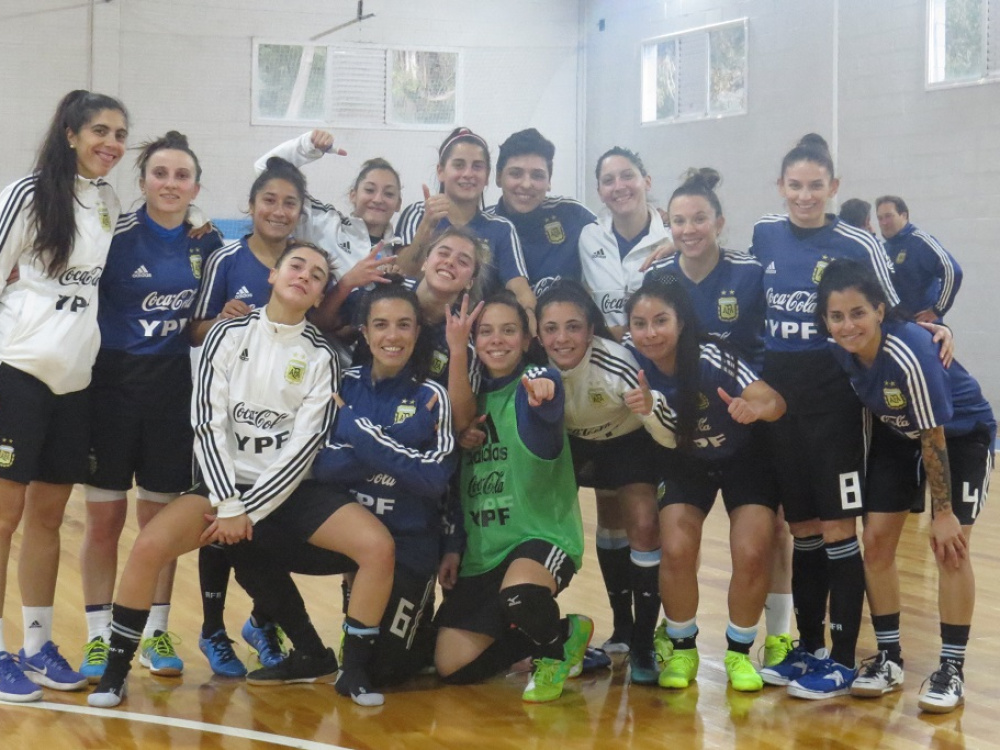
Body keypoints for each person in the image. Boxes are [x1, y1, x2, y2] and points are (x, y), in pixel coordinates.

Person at [88, 241, 396, 708]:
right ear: (273, 275)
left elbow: (303, 448)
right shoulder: (227, 335)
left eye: (316, 275)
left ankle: (353, 673)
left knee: (378, 547)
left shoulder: (322, 356)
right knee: (149, 547)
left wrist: (247, 510)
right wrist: (229, 503)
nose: (304, 276)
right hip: (223, 489)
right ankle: (114, 673)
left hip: (291, 490)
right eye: (296, 266)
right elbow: (207, 423)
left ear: (319, 296)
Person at [750, 134, 899, 699]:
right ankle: (809, 648)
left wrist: (936, 328)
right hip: (779, 405)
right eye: (795, 185)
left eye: (816, 185)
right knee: (804, 529)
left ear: (833, 187)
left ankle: (842, 658)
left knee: (839, 529)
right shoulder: (765, 233)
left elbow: (891, 310)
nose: (805, 195)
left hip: (835, 404)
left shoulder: (857, 241)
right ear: (780, 186)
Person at [816, 259, 994, 714]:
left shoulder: (908, 352)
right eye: (837, 316)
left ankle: (951, 668)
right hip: (899, 437)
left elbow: (934, 435)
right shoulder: (838, 347)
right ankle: (889, 658)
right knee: (876, 543)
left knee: (950, 548)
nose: (848, 325)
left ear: (880, 309)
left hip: (959, 437)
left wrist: (943, 513)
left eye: (858, 313)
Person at [78, 132, 223, 684]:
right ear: (142, 182)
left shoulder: (208, 244)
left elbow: (207, 319)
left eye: (181, 175)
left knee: (160, 522)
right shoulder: (115, 236)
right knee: (105, 520)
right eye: (160, 173)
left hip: (171, 390)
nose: (170, 183)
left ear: (196, 188)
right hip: (110, 387)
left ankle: (155, 630)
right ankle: (98, 636)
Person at [0, 90, 128, 704]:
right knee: (3, 518)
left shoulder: (108, 202)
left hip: (75, 382)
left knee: (48, 519)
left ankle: (37, 645)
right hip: (17, 371)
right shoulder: (27, 195)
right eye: (100, 130)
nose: (112, 143)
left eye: (120, 134)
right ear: (71, 134)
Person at [646, 167, 794, 672]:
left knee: (765, 541)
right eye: (679, 221)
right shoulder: (660, 278)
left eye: (699, 220)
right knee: (676, 544)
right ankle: (680, 644)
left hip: (748, 422)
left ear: (719, 222)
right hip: (685, 432)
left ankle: (768, 639)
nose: (689, 230)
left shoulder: (749, 272)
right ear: (668, 224)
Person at [623, 274, 786, 693]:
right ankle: (682, 650)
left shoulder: (713, 357)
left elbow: (774, 401)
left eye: (660, 321)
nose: (650, 333)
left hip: (745, 459)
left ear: (681, 322)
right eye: (639, 324)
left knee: (752, 551)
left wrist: (754, 408)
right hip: (684, 461)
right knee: (677, 548)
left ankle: (739, 653)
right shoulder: (629, 359)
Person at [434, 292, 591, 704]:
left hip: (539, 538)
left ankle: (551, 656)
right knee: (452, 668)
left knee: (520, 595)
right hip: (483, 549)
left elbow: (545, 388)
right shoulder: (469, 400)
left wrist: (544, 390)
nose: (497, 340)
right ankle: (566, 632)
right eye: (486, 331)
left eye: (508, 330)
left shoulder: (535, 381)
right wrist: (452, 545)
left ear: (526, 339)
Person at [188, 156, 310, 677]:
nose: (279, 211)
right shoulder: (226, 259)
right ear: (252, 205)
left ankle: (264, 622)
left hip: (281, 420)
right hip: (228, 420)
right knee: (220, 519)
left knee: (273, 523)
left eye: (289, 203)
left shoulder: (305, 263)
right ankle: (212, 628)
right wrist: (219, 319)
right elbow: (194, 327)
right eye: (269, 201)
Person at [312, 282, 456, 686]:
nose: (392, 336)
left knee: (388, 671)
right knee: (258, 540)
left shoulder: (432, 396)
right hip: (353, 541)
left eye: (403, 325)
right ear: (365, 332)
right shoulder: (342, 384)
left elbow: (433, 479)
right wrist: (401, 450)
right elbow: (323, 466)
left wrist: (358, 432)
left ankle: (426, 631)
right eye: (381, 324)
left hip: (410, 545)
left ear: (417, 332)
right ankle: (293, 638)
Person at [534, 280, 662, 683]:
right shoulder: (533, 364)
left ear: (591, 330)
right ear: (538, 332)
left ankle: (643, 642)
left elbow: (662, 428)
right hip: (573, 442)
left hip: (628, 439)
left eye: (573, 327)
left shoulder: (617, 364)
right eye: (551, 328)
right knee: (565, 521)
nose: (562, 338)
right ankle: (620, 625)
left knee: (643, 524)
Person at [393, 127, 536, 323]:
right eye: (459, 165)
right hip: (414, 323)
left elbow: (520, 289)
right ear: (441, 171)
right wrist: (428, 225)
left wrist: (530, 322)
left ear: (487, 176)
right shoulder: (419, 213)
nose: (468, 174)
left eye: (477, 166)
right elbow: (403, 272)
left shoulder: (501, 228)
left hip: (474, 330)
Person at [486, 129, 621, 327]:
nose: (526, 184)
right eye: (516, 173)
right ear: (498, 177)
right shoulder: (485, 225)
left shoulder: (571, 214)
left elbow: (620, 240)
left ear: (549, 181)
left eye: (537, 175)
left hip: (566, 337)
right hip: (503, 340)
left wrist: (665, 238)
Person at [254, 130, 401, 276]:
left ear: (398, 204)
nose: (378, 199)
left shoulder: (397, 252)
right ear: (353, 195)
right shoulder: (324, 222)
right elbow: (264, 169)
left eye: (389, 193)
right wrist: (306, 145)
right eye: (369, 190)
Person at [591, 147, 673, 330]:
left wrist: (680, 246)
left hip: (659, 345)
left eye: (627, 176)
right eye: (608, 181)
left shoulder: (673, 239)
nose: (619, 187)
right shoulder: (588, 237)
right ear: (600, 192)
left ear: (647, 182)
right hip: (607, 347)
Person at [875, 195, 962, 323]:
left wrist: (937, 310)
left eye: (888, 216)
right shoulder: (884, 248)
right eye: (880, 218)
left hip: (922, 324)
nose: (884, 222)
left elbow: (953, 271)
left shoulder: (920, 242)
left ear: (904, 216)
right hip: (898, 324)